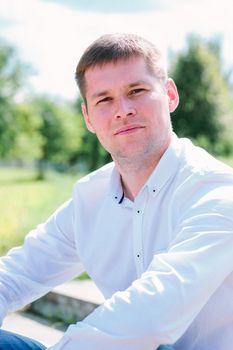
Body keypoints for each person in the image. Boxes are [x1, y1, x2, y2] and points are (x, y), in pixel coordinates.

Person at [0, 33, 233, 350]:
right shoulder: (90, 198)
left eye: (136, 91)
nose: (122, 110)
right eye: (104, 99)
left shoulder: (216, 192)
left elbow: (151, 318)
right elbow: (17, 274)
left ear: (170, 95)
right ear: (88, 118)